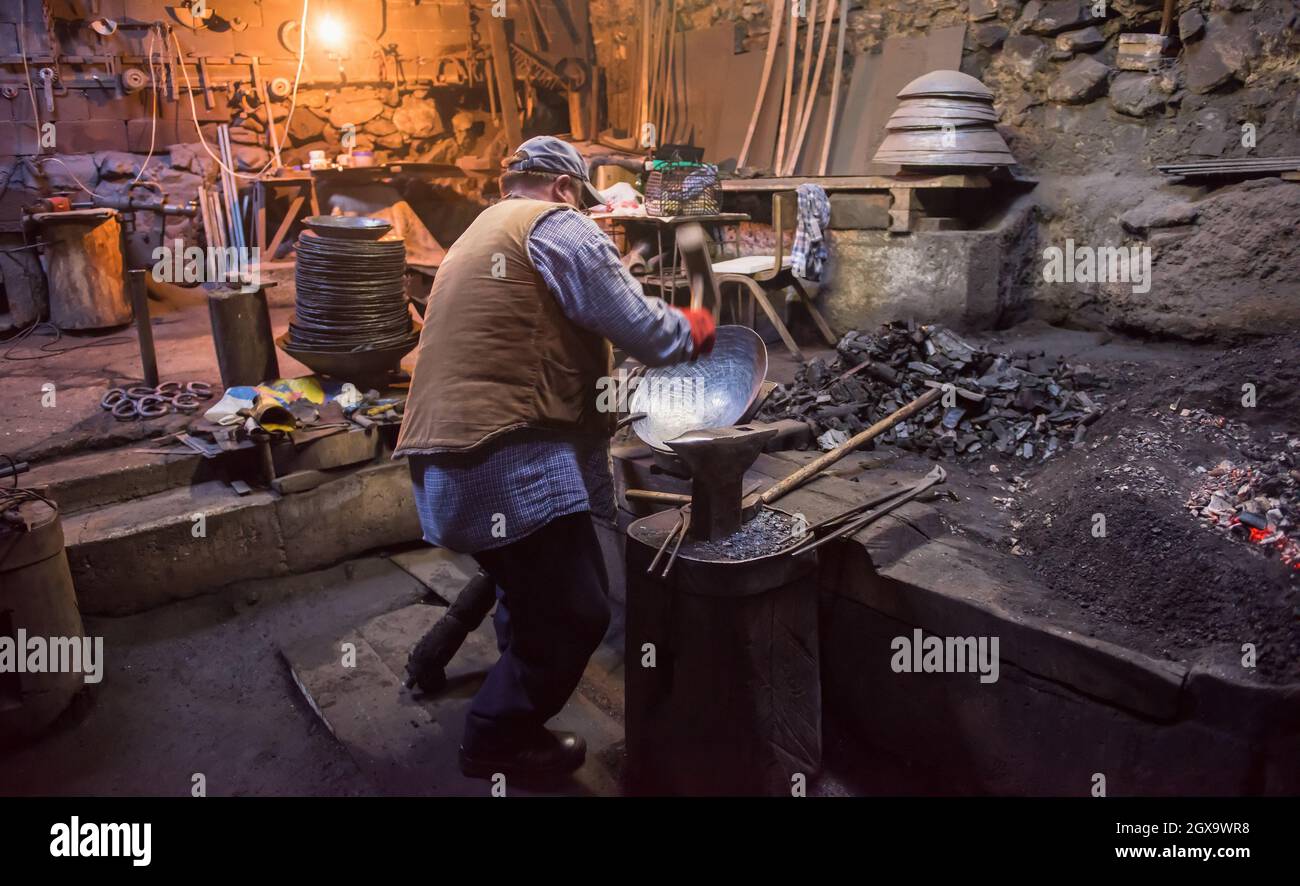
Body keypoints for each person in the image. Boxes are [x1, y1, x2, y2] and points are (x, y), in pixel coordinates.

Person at [394, 135, 716, 780]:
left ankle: (513, 692)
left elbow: (534, 331)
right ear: (567, 187)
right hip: (503, 455)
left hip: (441, 456)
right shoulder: (560, 227)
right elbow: (647, 331)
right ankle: (496, 739)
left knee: (526, 584)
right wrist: (699, 324)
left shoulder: (480, 231)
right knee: (577, 610)